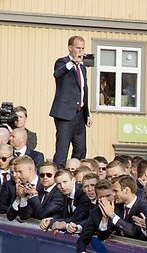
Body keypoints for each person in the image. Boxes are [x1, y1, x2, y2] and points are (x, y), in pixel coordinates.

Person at [51, 35, 92, 167]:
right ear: (70, 48)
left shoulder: (82, 68)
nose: (81, 51)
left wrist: (87, 114)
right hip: (65, 113)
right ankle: (59, 173)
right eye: (78, 48)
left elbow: (84, 90)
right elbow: (58, 74)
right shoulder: (62, 62)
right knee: (62, 149)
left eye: (83, 48)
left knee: (81, 149)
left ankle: (75, 174)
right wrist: (72, 62)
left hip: (79, 114)